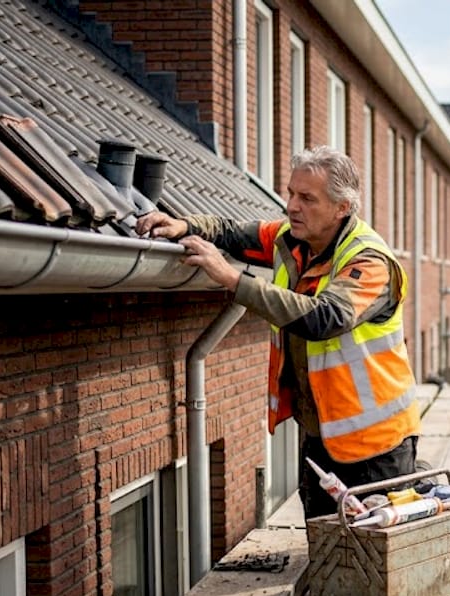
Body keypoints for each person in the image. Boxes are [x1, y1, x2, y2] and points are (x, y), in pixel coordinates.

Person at [136, 146, 420, 519]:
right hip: (322, 437)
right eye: (291, 193)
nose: (291, 206)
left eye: (307, 198)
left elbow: (324, 318)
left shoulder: (369, 260)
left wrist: (232, 279)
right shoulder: (291, 238)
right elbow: (233, 233)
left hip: (377, 449)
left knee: (372, 549)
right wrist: (185, 225)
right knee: (323, 541)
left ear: (342, 207)